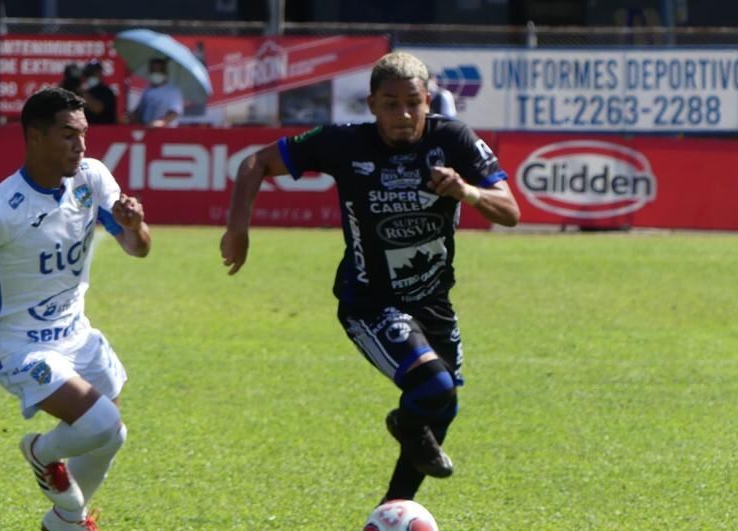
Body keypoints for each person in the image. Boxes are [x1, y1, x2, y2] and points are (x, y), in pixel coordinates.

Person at [219, 51, 520, 504]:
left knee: (444, 406)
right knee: (431, 387)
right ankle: (401, 424)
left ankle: (394, 509)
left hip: (433, 299)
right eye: (390, 103)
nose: (403, 114)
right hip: (370, 301)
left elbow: (511, 210)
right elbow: (254, 163)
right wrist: (238, 228)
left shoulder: (452, 139)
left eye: (413, 103)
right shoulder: (344, 144)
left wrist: (466, 190)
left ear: (428, 100)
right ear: (371, 104)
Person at [0, 87, 152, 531]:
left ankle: (69, 516)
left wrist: (134, 225)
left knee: (111, 434)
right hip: (21, 347)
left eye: (83, 135)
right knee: (102, 423)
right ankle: (39, 452)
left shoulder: (92, 178)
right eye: (68, 135)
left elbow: (138, 248)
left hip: (76, 333)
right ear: (34, 137)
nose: (80, 146)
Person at [128, 58, 183, 128]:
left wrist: (160, 123)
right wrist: (132, 117)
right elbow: (139, 110)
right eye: (153, 71)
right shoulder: (146, 89)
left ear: (165, 72)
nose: (156, 73)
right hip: (145, 131)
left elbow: (174, 113)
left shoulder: (173, 92)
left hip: (164, 133)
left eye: (159, 71)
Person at [81, 60, 118, 125]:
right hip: (87, 131)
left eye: (96, 73)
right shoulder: (85, 90)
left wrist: (83, 95)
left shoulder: (107, 92)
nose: (93, 76)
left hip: (105, 131)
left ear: (100, 73)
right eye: (90, 74)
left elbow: (98, 109)